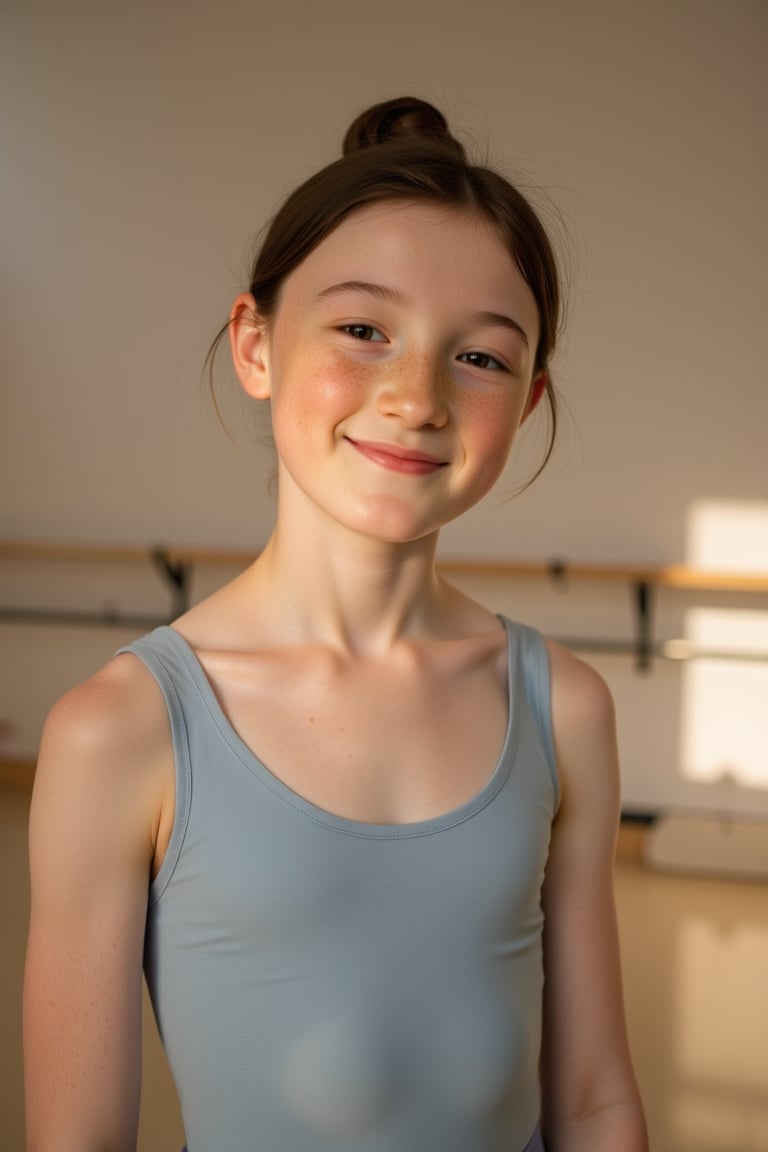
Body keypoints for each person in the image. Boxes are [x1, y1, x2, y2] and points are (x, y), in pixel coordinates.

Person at [23, 97, 648, 1152]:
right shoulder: (121, 729)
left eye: (481, 357)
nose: (415, 397)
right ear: (256, 346)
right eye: (363, 331)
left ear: (529, 402)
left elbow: (592, 1099)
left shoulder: (564, 708)